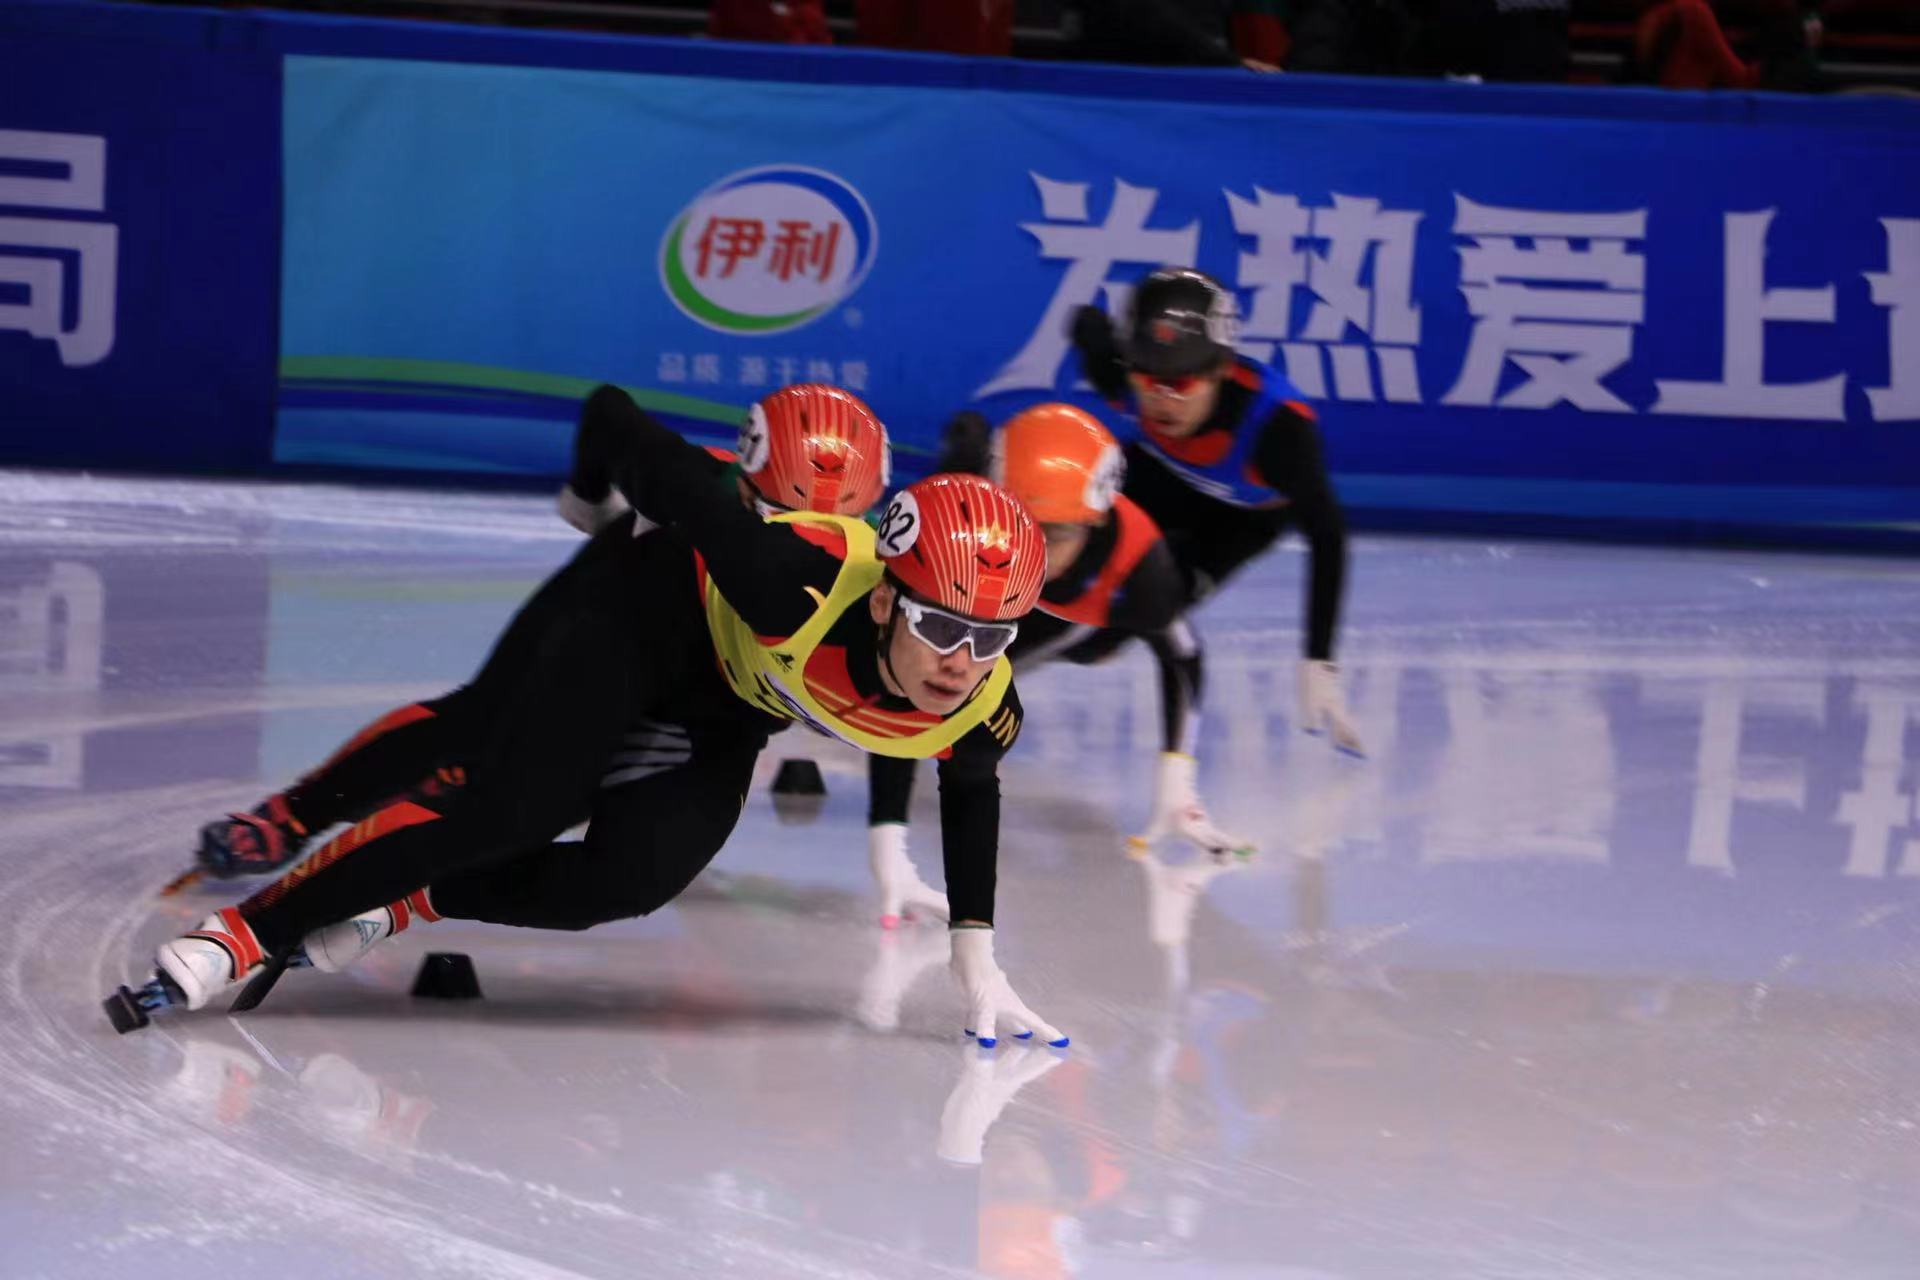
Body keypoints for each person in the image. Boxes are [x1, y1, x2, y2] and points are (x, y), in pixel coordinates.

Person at [120, 385, 1066, 1049]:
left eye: (993, 636)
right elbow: (621, 420)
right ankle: (244, 931)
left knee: (630, 881)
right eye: (942, 627)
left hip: (728, 701)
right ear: (884, 602)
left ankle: (412, 897)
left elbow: (969, 790)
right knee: (512, 802)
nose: (962, 661)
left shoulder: (983, 696)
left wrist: (974, 959)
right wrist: (589, 495)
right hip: (643, 615)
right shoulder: (785, 578)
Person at [192, 383, 890, 883]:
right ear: (742, 483)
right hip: (613, 603)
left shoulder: (865, 576)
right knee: (484, 716)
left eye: (838, 530)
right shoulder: (687, 486)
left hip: (710, 674)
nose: (804, 549)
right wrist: (590, 500)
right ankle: (295, 814)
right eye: (779, 520)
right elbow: (608, 412)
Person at [866, 403, 1252, 929]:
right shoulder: (967, 515)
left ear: (1094, 524)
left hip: (1078, 621)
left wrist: (1178, 785)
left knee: (958, 684)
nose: (1032, 549)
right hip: (987, 576)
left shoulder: (1144, 571)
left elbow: (1183, 656)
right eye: (1021, 524)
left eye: (1055, 534)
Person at [1070, 267, 1362, 758]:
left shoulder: (1279, 432)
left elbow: (1328, 536)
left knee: (1110, 631)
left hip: (1239, 522)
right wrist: (1090, 326)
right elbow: (1090, 329)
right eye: (1149, 380)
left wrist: (1319, 660)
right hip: (1156, 477)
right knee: (1061, 585)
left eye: (1181, 384)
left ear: (1220, 371)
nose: (1162, 401)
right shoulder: (1118, 374)